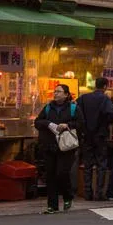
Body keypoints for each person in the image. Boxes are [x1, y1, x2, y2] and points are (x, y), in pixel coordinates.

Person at [34, 85, 78, 214]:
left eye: (59, 92)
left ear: (66, 94)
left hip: (66, 147)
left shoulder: (73, 108)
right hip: (49, 146)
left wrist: (68, 125)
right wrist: (47, 123)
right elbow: (37, 122)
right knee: (51, 175)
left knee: (62, 173)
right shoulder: (48, 107)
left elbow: (81, 124)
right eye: (55, 91)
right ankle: (52, 205)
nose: (56, 94)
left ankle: (67, 196)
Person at [74, 78, 113, 201]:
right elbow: (112, 115)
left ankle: (88, 192)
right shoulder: (105, 99)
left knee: (88, 164)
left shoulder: (83, 98)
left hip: (86, 136)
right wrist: (105, 123)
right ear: (104, 86)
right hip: (101, 135)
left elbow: (76, 112)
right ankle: (99, 192)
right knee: (101, 164)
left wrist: (83, 127)